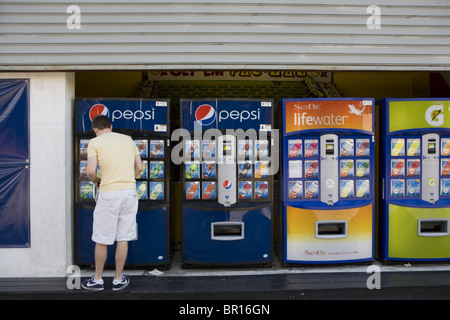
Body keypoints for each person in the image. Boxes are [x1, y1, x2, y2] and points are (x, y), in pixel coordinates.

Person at [81, 115, 143, 291]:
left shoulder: (94, 142)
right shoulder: (128, 140)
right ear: (110, 126)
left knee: (102, 238)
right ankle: (118, 279)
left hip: (108, 192)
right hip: (129, 192)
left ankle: (98, 280)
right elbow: (139, 167)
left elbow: (91, 170)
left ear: (95, 129)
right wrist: (130, 178)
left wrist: (96, 181)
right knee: (122, 237)